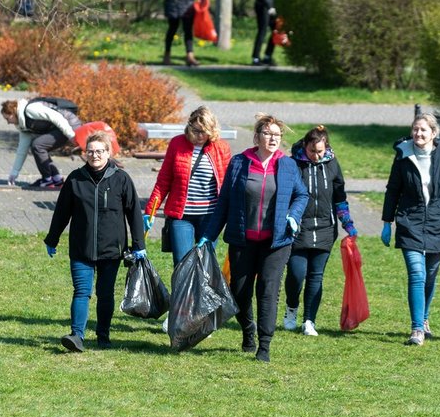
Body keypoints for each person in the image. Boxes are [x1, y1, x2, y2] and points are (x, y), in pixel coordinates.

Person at [199, 114, 308, 363]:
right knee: (239, 292)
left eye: (277, 135)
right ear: (257, 136)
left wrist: (293, 215)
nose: (273, 139)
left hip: (276, 242)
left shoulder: (288, 165)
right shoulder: (239, 163)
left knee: (267, 291)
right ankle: (248, 330)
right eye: (268, 134)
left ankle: (264, 346)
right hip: (242, 239)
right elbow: (224, 201)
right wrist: (208, 236)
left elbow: (302, 195)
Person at [43, 130, 146, 352]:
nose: (95, 155)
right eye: (90, 151)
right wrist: (52, 239)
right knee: (81, 291)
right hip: (81, 248)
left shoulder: (121, 179)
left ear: (108, 153)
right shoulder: (75, 179)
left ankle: (103, 336)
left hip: (111, 250)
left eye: (99, 151)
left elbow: (134, 214)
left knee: (105, 293)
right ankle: (76, 336)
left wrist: (139, 245)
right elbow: (61, 213)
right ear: (84, 154)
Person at [380, 113, 440, 346]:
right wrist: (386, 222)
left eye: (423, 130)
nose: (418, 134)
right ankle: (416, 329)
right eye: (415, 130)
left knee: (430, 276)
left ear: (434, 133)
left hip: (438, 222)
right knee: (417, 274)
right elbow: (393, 189)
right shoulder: (403, 155)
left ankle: (424, 318)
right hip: (409, 221)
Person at [282, 125, 357, 337]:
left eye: (320, 152)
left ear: (327, 148)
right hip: (298, 229)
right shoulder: (293, 164)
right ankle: (291, 309)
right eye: (312, 151)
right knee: (296, 274)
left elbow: (340, 198)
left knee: (316, 276)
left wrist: (347, 224)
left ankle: (309, 320)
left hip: (325, 229)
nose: (316, 156)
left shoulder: (332, 165)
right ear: (305, 146)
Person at [144, 106, 232, 265]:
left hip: (210, 216)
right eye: (196, 131)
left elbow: (227, 184)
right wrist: (150, 211)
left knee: (206, 263)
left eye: (205, 131)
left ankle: (203, 291)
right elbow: (163, 180)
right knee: (182, 263)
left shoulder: (221, 147)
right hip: (181, 216)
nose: (200, 136)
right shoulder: (177, 143)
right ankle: (183, 291)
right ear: (189, 126)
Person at [1, 98, 81, 189]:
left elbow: (57, 117)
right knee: (40, 146)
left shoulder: (30, 109)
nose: (8, 122)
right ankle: (56, 179)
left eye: (7, 118)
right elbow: (22, 150)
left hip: (69, 124)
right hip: (61, 128)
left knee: (38, 145)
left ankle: (47, 180)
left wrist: (71, 135)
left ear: (13, 111)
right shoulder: (23, 125)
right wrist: (14, 173)